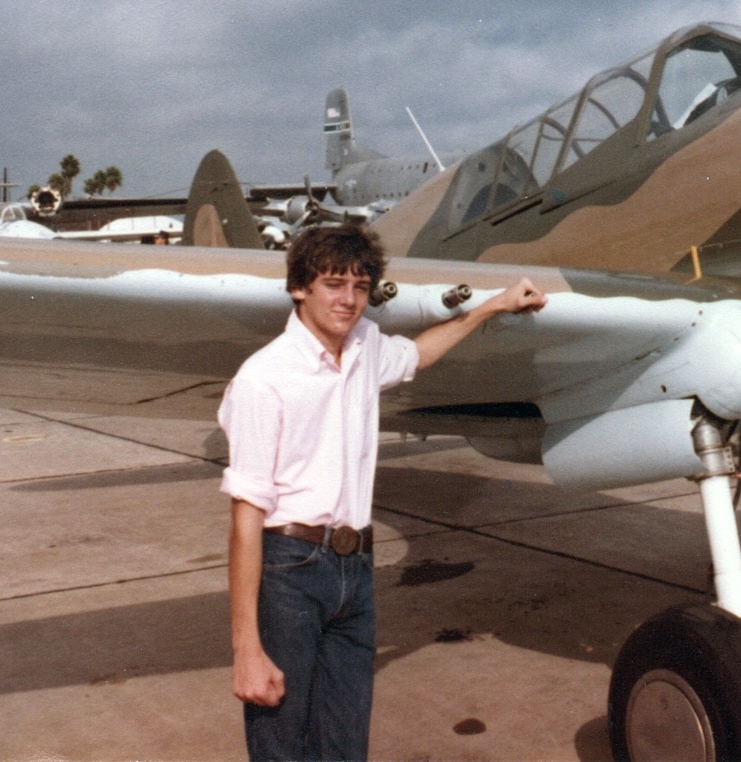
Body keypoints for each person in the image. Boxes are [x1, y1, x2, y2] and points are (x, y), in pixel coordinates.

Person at [219, 225, 546, 761]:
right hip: (290, 571)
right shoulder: (264, 379)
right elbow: (245, 518)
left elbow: (418, 354)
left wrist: (492, 307)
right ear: (299, 287)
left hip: (356, 570)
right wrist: (246, 649)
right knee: (281, 743)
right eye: (332, 284)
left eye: (360, 287)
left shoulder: (365, 344)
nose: (348, 300)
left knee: (346, 745)